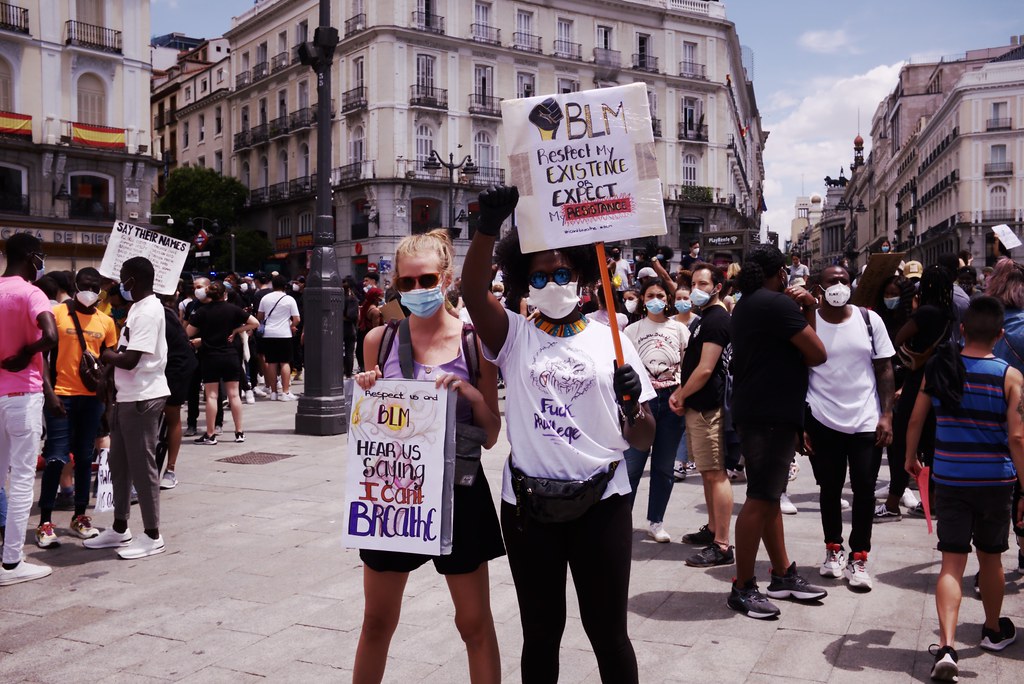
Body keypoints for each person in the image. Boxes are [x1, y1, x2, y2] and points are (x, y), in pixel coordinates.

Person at [463, 187, 655, 683]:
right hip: (529, 508)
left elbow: (643, 439)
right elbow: (471, 293)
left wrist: (632, 405)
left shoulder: (613, 340)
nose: (553, 283)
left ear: (583, 278)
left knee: (608, 633)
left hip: (604, 503)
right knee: (541, 633)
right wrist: (487, 227)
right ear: (525, 283)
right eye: (540, 276)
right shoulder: (514, 336)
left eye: (563, 273)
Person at [351, 230, 505, 684]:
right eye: (408, 282)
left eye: (427, 280)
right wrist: (368, 391)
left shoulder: (475, 344)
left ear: (447, 278)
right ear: (397, 284)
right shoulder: (378, 340)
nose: (417, 289)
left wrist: (472, 394)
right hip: (394, 493)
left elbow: (492, 435)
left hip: (459, 492)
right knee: (377, 621)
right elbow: (368, 424)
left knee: (473, 623)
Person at [905, 297, 1024, 681]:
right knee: (991, 558)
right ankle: (992, 630)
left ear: (962, 329)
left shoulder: (940, 367)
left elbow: (916, 418)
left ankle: (947, 646)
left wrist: (910, 457)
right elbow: (1017, 438)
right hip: (995, 482)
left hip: (951, 477)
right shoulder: (1010, 376)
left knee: (951, 562)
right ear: (1000, 335)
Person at [728, 244, 829, 619]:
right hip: (770, 413)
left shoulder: (748, 303)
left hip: (760, 410)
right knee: (760, 498)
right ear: (782, 273)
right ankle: (742, 587)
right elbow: (817, 353)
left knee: (769, 497)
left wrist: (805, 310)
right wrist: (809, 308)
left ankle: (783, 574)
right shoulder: (775, 304)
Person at [804, 266, 895, 591]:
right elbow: (800, 372)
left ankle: (859, 556)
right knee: (829, 488)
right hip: (822, 418)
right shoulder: (809, 322)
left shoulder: (869, 320)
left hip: (865, 420)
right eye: (833, 281)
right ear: (819, 287)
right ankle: (833, 548)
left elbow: (884, 368)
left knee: (865, 489)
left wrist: (887, 415)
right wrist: (802, 422)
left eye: (844, 280)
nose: (839, 286)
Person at [85, 257, 169, 560]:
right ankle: (120, 527)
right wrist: (108, 371)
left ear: (133, 279)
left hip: (143, 398)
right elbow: (126, 351)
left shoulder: (148, 311)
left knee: (142, 468)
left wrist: (105, 356)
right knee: (118, 464)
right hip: (127, 396)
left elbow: (131, 359)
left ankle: (152, 535)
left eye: (123, 277)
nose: (120, 282)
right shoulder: (138, 308)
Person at [35, 268, 117, 547]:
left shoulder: (106, 321)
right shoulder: (57, 314)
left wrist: (105, 389)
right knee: (56, 458)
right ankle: (45, 522)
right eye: (85, 285)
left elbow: (108, 356)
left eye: (95, 287)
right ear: (75, 285)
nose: (90, 291)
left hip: (91, 399)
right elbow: (42, 356)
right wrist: (49, 393)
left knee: (83, 458)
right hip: (61, 396)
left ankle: (80, 516)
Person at [875, 266, 956, 522]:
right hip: (938, 381)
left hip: (916, 380)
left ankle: (892, 504)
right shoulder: (949, 311)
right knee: (931, 444)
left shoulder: (926, 312)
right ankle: (930, 502)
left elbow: (898, 337)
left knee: (901, 441)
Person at [0, 234, 58, 586]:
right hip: (23, 394)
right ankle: (11, 562)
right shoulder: (30, 293)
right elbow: (50, 336)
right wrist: (25, 353)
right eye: (41, 256)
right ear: (31, 257)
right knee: (22, 478)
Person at [669, 264, 735, 567]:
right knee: (707, 472)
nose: (697, 289)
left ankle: (722, 544)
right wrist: (682, 392)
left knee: (715, 473)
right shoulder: (705, 318)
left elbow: (707, 368)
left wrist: (682, 394)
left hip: (709, 407)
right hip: (698, 405)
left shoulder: (717, 319)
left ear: (718, 287)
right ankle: (712, 528)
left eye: (703, 284)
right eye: (694, 283)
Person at [623, 278, 688, 543]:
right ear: (642, 299)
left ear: (668, 299)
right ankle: (621, 520)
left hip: (671, 401)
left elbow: (687, 365)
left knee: (663, 468)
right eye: (650, 295)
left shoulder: (680, 329)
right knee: (631, 468)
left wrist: (682, 393)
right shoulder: (631, 331)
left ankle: (656, 521)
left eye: (660, 295)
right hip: (642, 402)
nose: (656, 300)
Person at [979, 258, 1024, 574]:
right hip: (1020, 416)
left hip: (988, 419)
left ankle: (988, 563)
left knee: (996, 494)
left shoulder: (985, 325)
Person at [187, 281, 258, 445]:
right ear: (225, 294)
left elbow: (188, 332)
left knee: (212, 396)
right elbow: (255, 322)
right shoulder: (233, 309)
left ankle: (210, 434)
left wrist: (203, 335)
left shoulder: (202, 311)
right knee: (234, 395)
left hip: (209, 356)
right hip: (230, 355)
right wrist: (236, 330)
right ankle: (239, 432)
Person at [159, 284, 198, 490]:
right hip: (159, 369)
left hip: (175, 369)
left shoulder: (163, 315)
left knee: (172, 414)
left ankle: (170, 469)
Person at [257, 275, 300, 401]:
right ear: (285, 286)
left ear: (273, 285)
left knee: (271, 362)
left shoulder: (265, 298)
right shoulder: (289, 299)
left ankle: (273, 392)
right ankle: (285, 392)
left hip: (268, 334)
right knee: (285, 362)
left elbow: (259, 317)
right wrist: (291, 326)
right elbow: (297, 319)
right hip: (284, 333)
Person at [356, 286, 385, 373]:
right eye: (381, 296)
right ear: (376, 298)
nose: (382, 298)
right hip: (370, 336)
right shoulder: (375, 311)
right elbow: (376, 328)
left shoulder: (365, 306)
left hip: (362, 334)